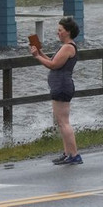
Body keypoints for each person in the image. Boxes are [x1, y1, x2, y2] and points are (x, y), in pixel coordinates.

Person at [29, 16, 82, 165]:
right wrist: (39, 53)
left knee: (64, 122)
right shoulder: (65, 46)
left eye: (60, 30)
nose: (57, 33)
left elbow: (53, 66)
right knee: (61, 122)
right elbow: (53, 61)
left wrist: (37, 57)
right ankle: (68, 153)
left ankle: (74, 154)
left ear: (68, 32)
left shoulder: (68, 47)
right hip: (60, 85)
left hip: (62, 86)